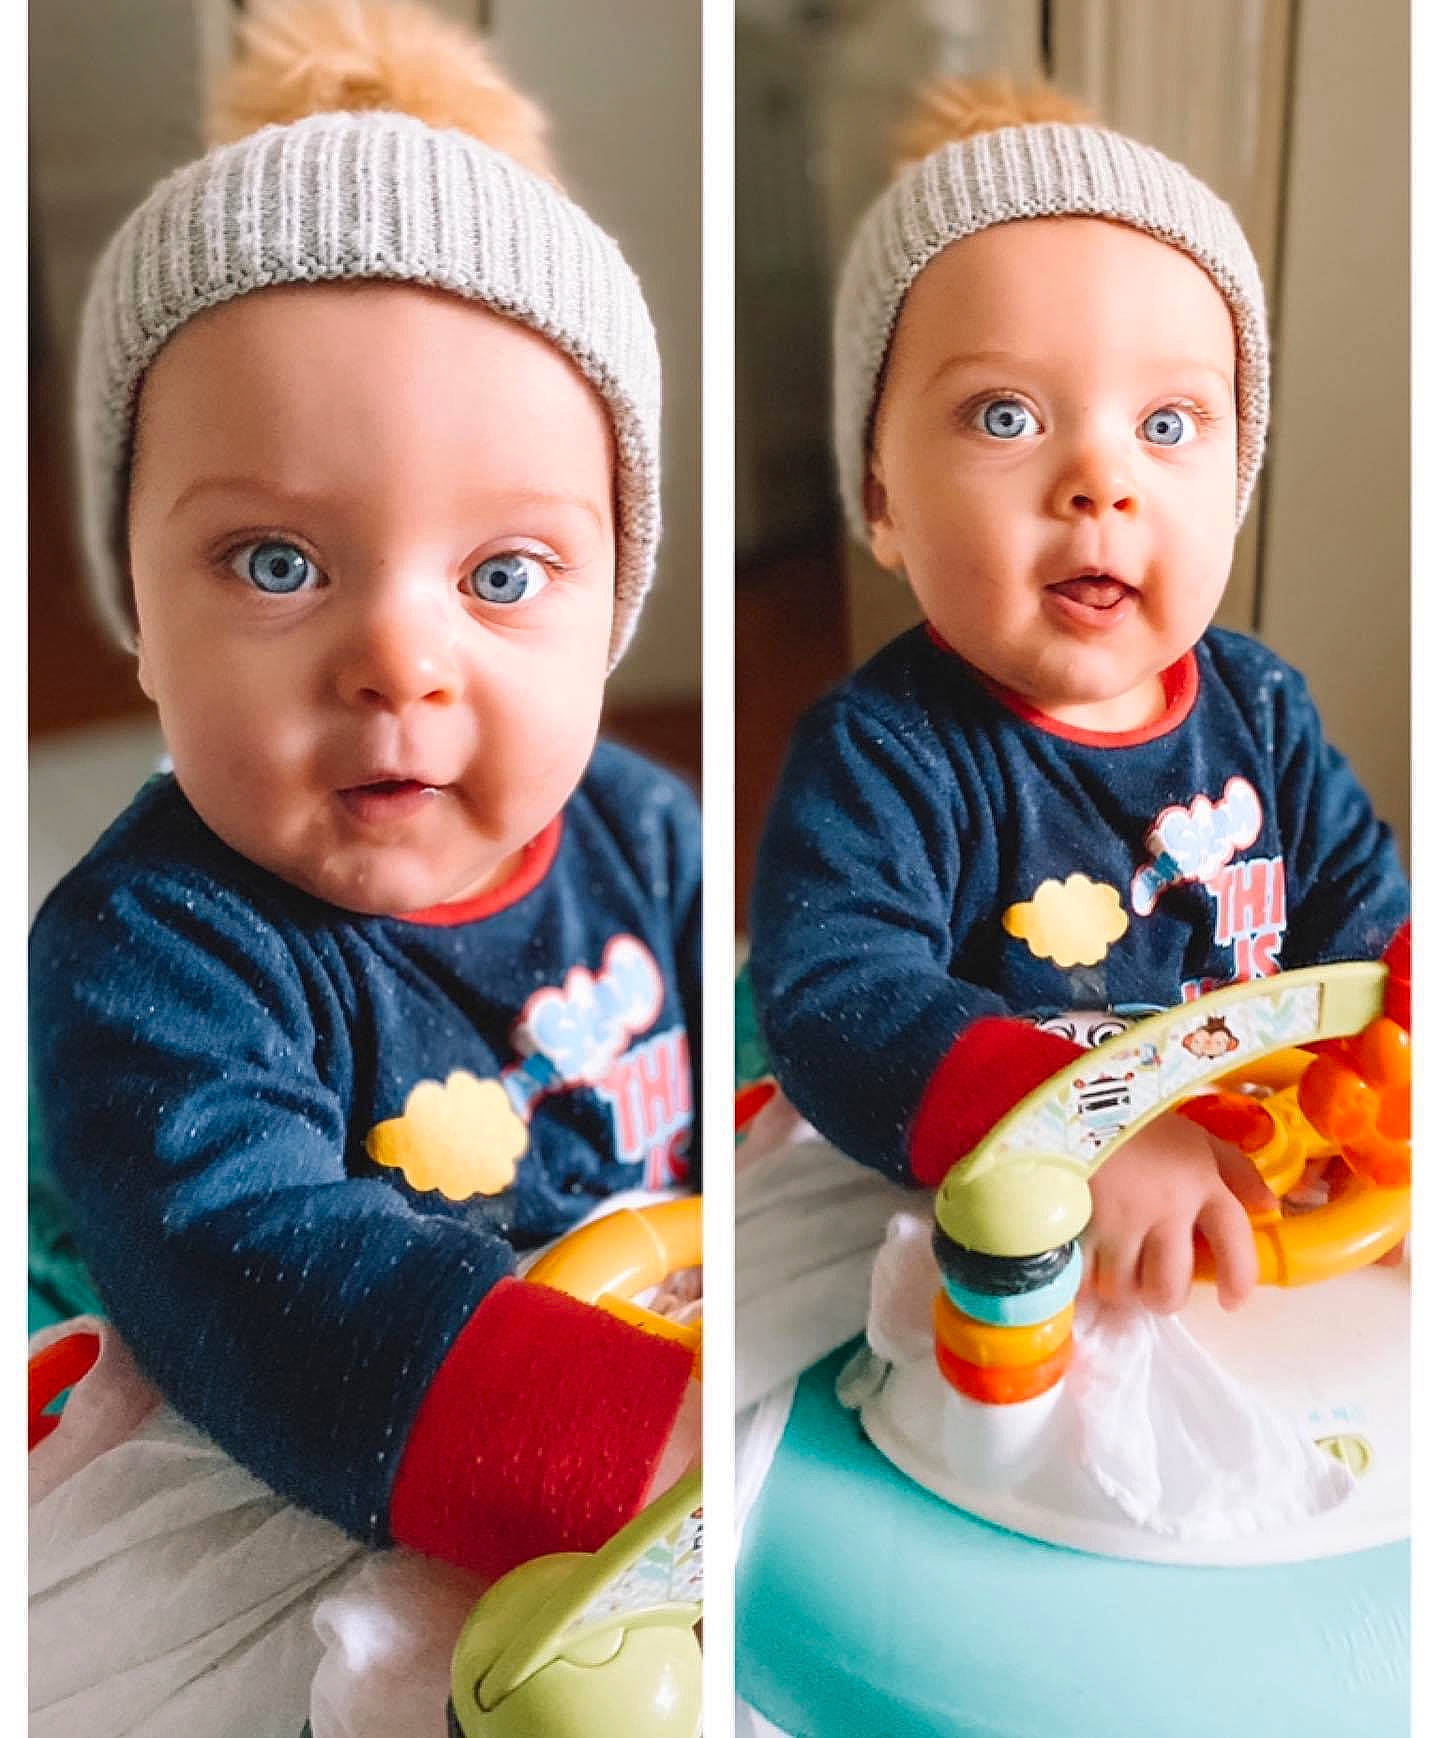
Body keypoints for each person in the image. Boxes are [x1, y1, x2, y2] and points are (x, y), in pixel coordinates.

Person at [29, 0, 700, 1608]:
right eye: (278, 563)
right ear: (135, 599)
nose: (400, 657)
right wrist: (621, 1436)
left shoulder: (646, 833)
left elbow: (757, 1085)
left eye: (503, 573)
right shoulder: (149, 954)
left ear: (614, 605)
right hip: (309, 1475)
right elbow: (244, 1249)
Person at [748, 78, 1408, 1318]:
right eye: (1007, 414)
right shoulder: (886, 754)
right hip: (996, 1226)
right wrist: (1076, 1130)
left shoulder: (1261, 707)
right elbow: (838, 1001)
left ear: (1234, 482)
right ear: (883, 499)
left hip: (1270, 1199)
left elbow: (1363, 910)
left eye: (1168, 423)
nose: (1101, 480)